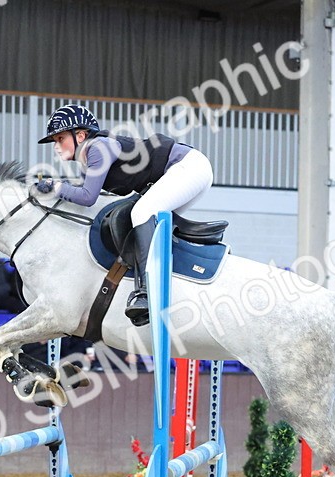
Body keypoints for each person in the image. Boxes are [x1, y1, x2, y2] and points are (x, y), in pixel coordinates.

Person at [32, 104, 214, 326]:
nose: (57, 147)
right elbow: (87, 197)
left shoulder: (97, 148)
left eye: (60, 139)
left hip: (188, 167)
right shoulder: (88, 160)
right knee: (147, 222)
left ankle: (148, 292)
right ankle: (176, 284)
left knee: (142, 212)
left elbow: (88, 197)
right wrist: (55, 189)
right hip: (187, 170)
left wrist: (56, 187)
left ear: (80, 135)